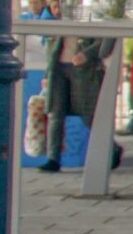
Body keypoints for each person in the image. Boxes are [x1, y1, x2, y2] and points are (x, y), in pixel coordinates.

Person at [36, 25, 112, 170]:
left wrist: (87, 54)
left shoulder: (91, 19)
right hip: (58, 69)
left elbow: (104, 42)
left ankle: (112, 149)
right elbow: (52, 50)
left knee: (89, 115)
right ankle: (53, 159)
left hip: (84, 70)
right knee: (55, 113)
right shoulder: (61, 22)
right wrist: (47, 74)